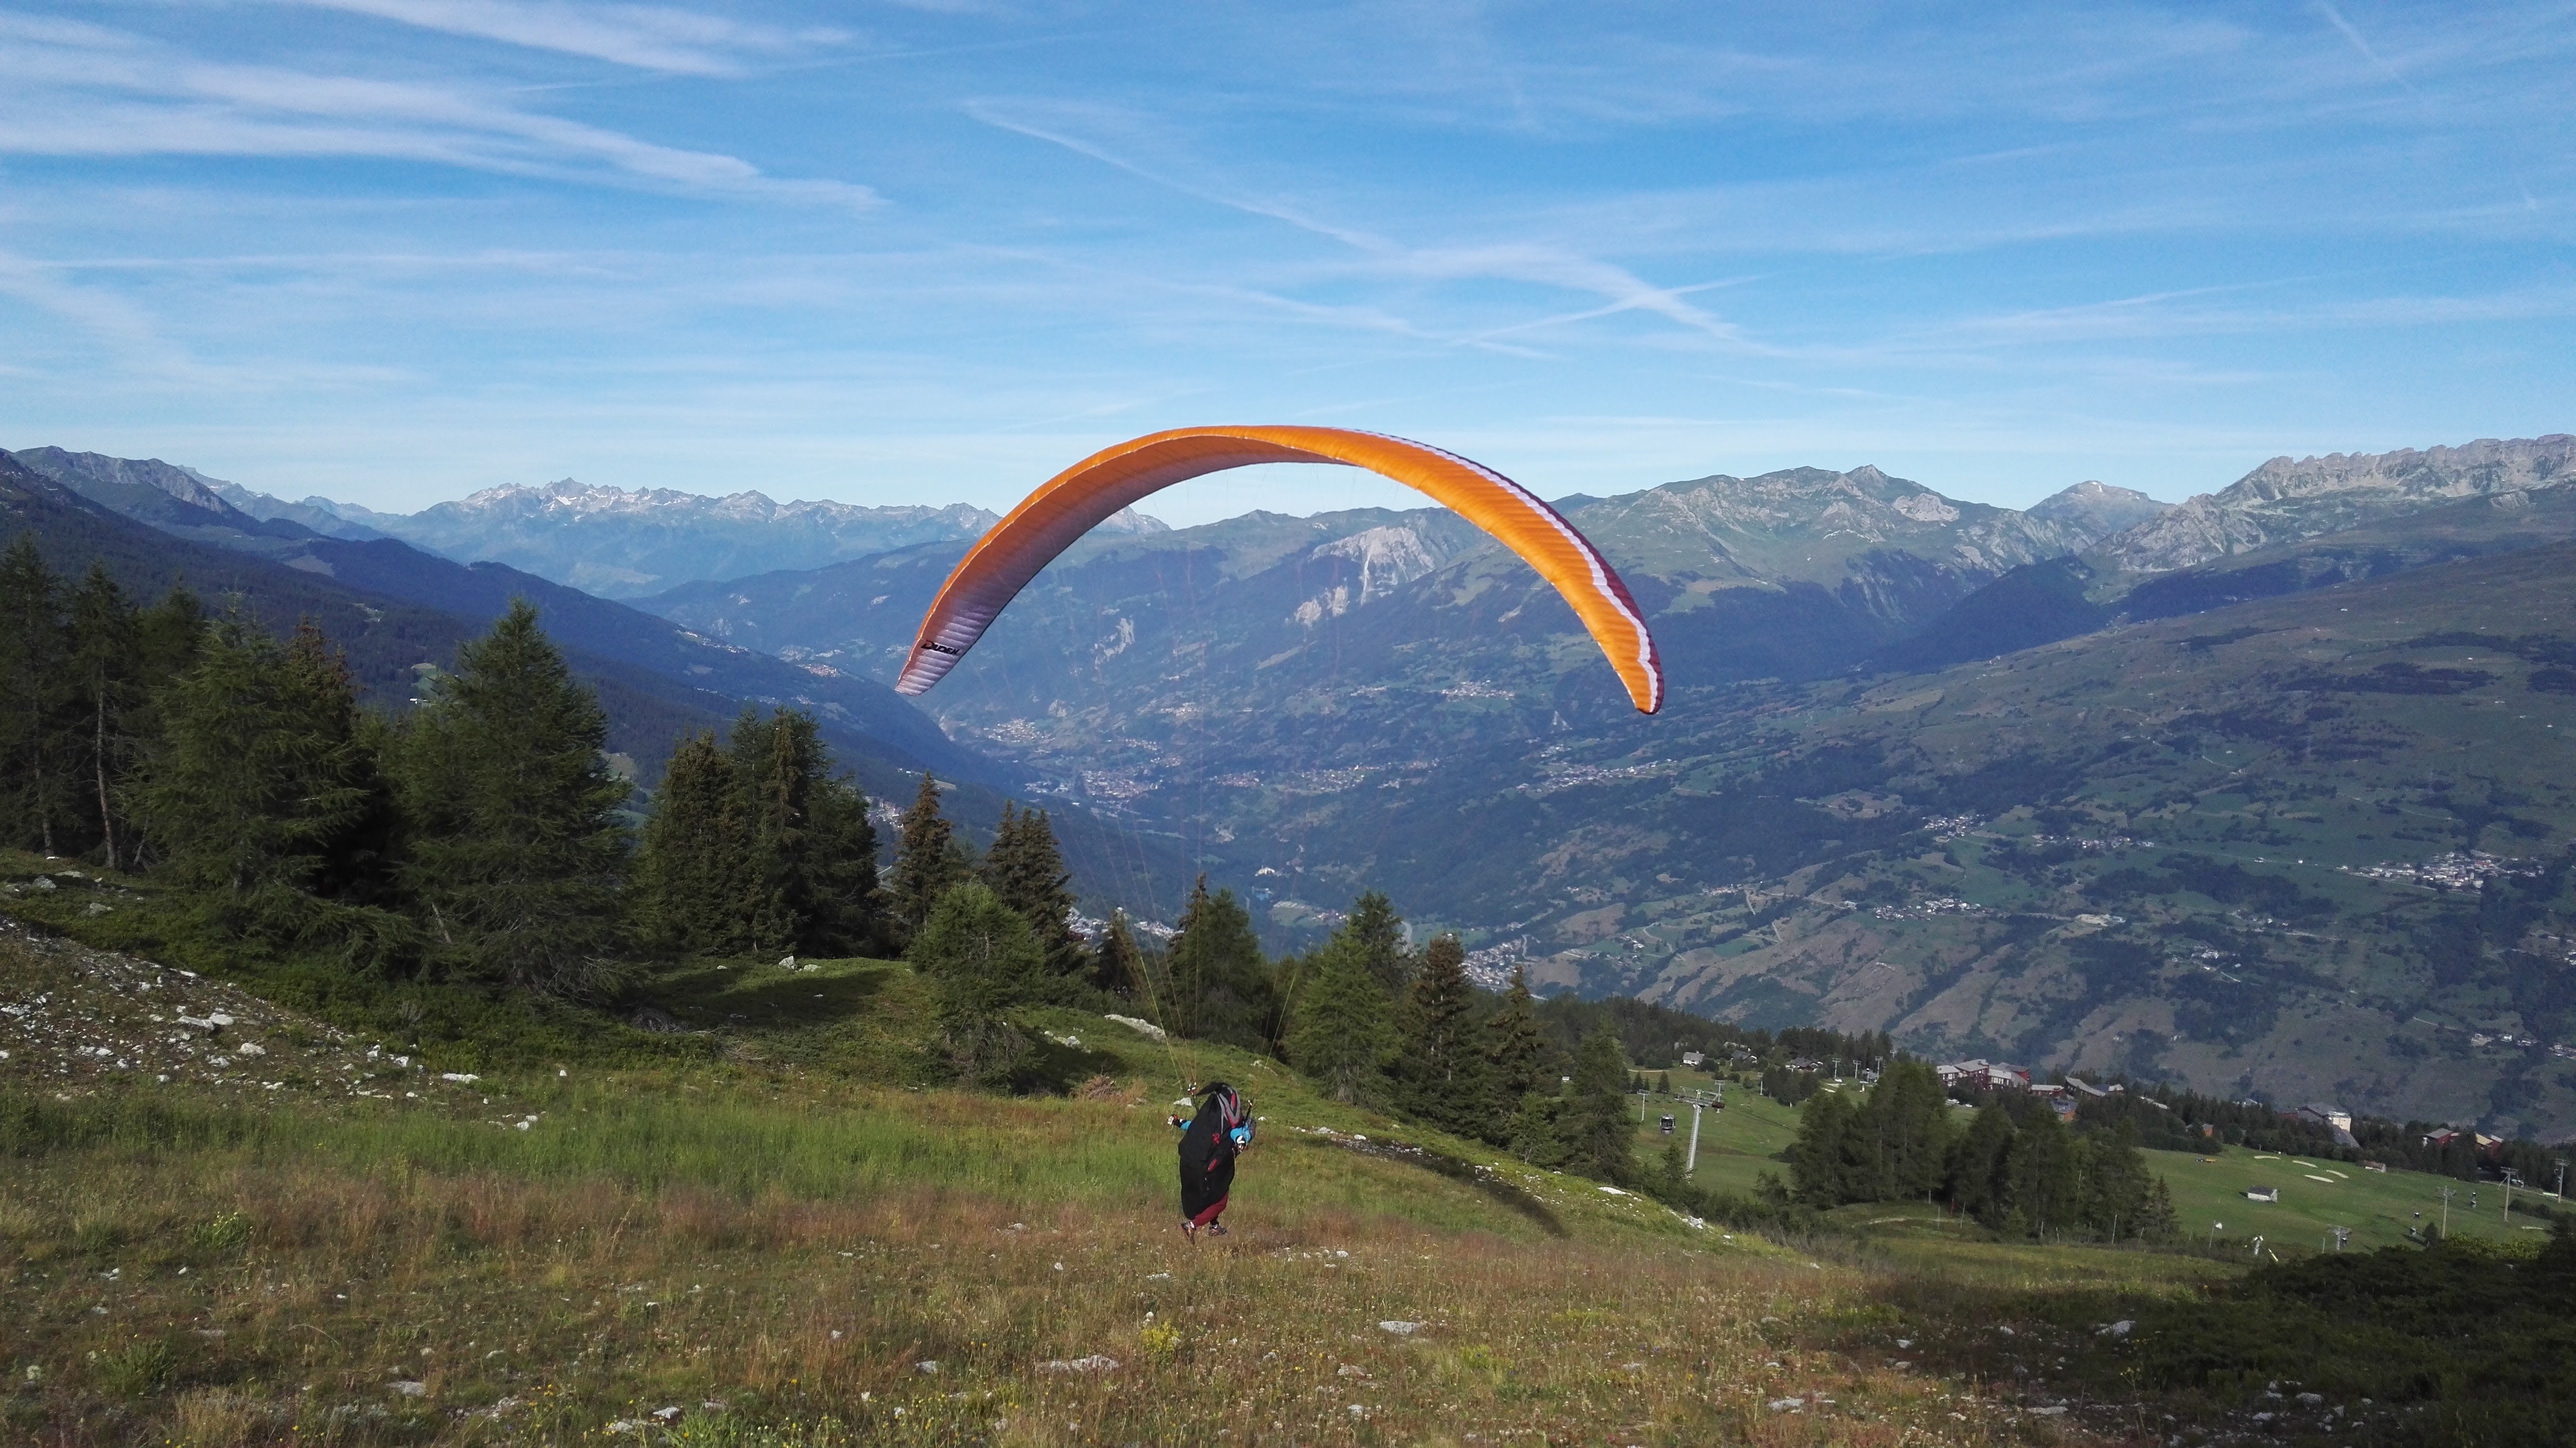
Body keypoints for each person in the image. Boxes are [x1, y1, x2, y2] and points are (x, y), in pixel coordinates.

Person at [1172, 1081, 1253, 1240]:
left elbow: (1192, 1126)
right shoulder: (1232, 1127)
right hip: (1207, 1167)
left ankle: (1215, 1227)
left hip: (1188, 1162)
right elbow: (1236, 1134)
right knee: (1221, 1200)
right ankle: (1191, 1226)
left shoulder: (1208, 1121)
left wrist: (1178, 1122)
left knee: (1213, 1195)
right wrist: (1241, 1141)